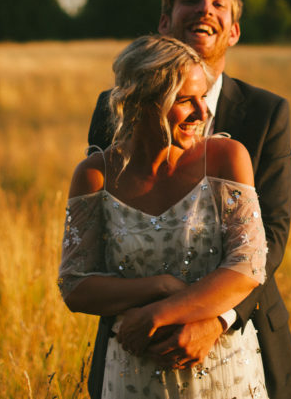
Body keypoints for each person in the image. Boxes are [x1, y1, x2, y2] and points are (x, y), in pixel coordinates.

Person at [86, 0, 291, 398]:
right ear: (164, 23)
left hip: (240, 339)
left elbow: (272, 239)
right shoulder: (115, 108)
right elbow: (102, 237)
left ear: (234, 31)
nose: (205, 8)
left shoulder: (265, 114)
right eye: (190, 0)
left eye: (219, 3)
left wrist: (214, 320)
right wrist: (153, 311)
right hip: (136, 347)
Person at [59, 35, 269, 397]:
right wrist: (159, 286)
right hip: (133, 372)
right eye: (186, 100)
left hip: (222, 370)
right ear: (140, 103)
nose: (203, 113)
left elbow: (249, 265)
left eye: (203, 97)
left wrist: (162, 313)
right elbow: (76, 286)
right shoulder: (96, 175)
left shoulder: (227, 158)